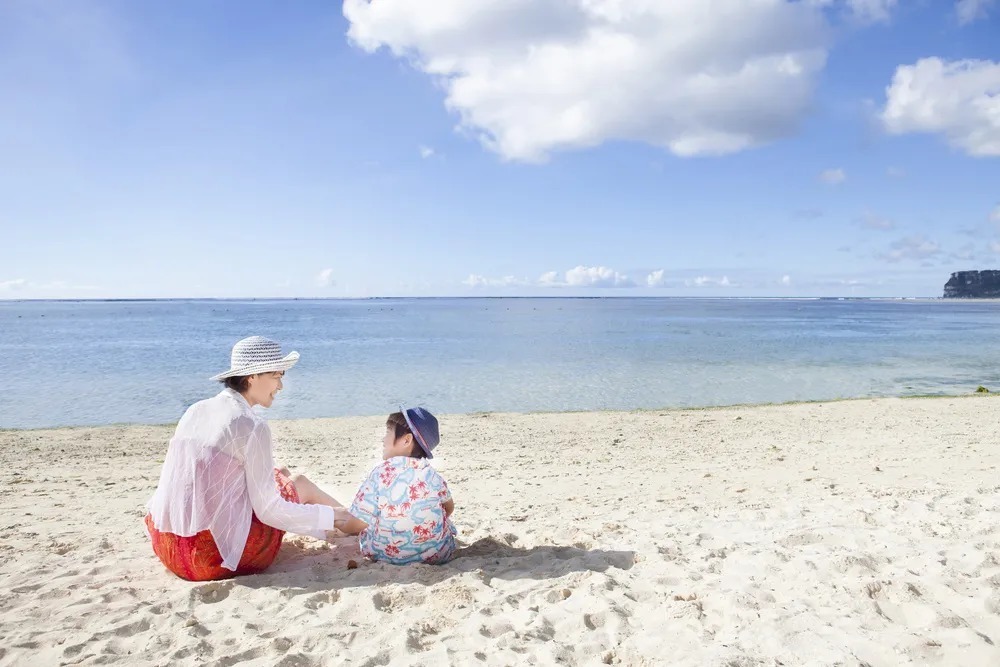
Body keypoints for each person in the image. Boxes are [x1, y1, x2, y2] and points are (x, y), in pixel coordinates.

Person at [144, 336, 349, 581]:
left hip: (170, 546)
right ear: (252, 376)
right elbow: (269, 512)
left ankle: (351, 519)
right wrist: (332, 515)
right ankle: (356, 522)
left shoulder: (195, 410)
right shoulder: (251, 424)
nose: (281, 386)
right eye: (276, 375)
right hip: (214, 559)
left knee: (280, 472)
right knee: (300, 483)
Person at [338, 407, 457, 565]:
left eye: (388, 432)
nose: (383, 439)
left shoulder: (380, 473)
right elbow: (449, 508)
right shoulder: (432, 475)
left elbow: (359, 522)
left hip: (386, 556)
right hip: (437, 555)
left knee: (372, 524)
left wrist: (343, 526)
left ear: (406, 440)